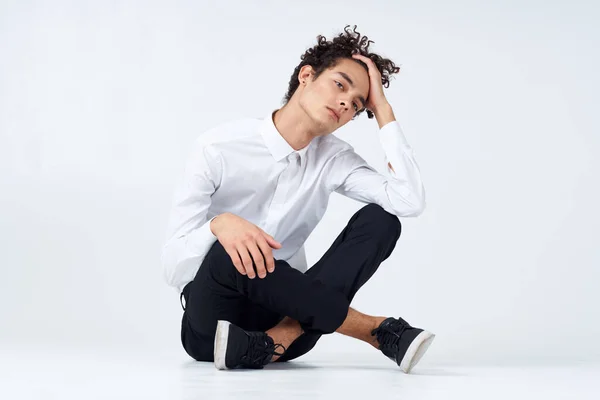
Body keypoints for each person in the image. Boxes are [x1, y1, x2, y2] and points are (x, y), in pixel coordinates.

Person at [161, 25, 434, 373]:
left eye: (356, 105)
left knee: (382, 222)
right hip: (214, 327)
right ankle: (374, 331)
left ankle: (274, 342)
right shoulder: (217, 147)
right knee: (231, 248)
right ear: (306, 75)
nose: (344, 103)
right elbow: (172, 265)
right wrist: (220, 225)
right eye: (340, 85)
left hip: (294, 317)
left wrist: (382, 109)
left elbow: (408, 201)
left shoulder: (334, 159)